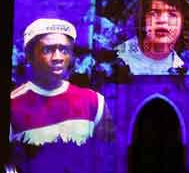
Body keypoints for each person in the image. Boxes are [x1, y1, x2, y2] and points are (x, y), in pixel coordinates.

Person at [9, 18, 113, 172]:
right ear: (30, 56)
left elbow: (109, 158)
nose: (57, 57)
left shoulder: (94, 102)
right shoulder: (13, 105)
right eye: (47, 50)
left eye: (64, 50)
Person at [116, 0, 189, 75]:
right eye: (154, 13)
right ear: (142, 18)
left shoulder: (186, 65)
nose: (162, 20)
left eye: (172, 14)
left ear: (183, 23)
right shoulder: (119, 59)